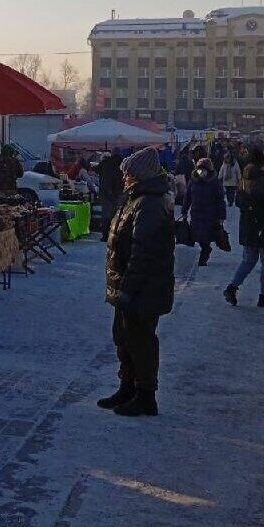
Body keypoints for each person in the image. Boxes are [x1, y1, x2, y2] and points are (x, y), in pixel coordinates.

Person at [98, 146, 174, 417]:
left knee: (140, 339)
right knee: (124, 336)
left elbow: (143, 251)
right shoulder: (136, 198)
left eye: (128, 172)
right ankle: (127, 386)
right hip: (127, 283)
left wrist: (129, 288)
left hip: (142, 286)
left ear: (140, 174)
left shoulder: (151, 203)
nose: (125, 176)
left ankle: (145, 394)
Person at [223, 149, 264, 307]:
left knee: (248, 260)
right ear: (262, 166)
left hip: (248, 226)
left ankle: (232, 287)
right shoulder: (263, 182)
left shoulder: (244, 179)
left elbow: (239, 203)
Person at [183, 157, 226, 266]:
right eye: (199, 169)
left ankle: (204, 256)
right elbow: (187, 196)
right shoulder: (193, 180)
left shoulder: (214, 182)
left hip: (210, 214)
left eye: (204, 169)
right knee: (198, 236)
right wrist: (184, 210)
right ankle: (205, 249)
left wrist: (221, 215)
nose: (201, 172)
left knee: (206, 236)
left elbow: (220, 199)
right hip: (196, 213)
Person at [97, 150, 124, 241]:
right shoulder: (120, 164)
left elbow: (97, 171)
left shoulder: (103, 164)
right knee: (117, 214)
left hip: (105, 192)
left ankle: (105, 235)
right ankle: (115, 234)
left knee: (106, 214)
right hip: (118, 191)